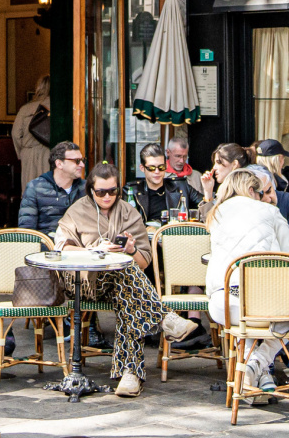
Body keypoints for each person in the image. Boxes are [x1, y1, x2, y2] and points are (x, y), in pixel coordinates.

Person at [55, 161, 200, 397]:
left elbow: (144, 263)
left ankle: (129, 376)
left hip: (119, 282)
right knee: (127, 279)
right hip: (83, 281)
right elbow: (62, 249)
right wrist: (94, 250)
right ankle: (163, 319)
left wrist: (130, 250)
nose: (107, 196)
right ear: (91, 190)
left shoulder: (128, 212)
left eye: (112, 191)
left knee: (128, 288)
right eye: (100, 192)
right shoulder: (77, 211)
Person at [206, 167, 289, 404]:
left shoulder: (216, 214)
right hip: (266, 306)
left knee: (246, 326)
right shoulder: (269, 211)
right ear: (252, 190)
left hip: (225, 304)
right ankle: (258, 364)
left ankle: (252, 376)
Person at [17, 141, 86, 236]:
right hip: (46, 245)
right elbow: (27, 230)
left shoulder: (86, 188)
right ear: (59, 164)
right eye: (77, 161)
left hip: (79, 245)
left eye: (83, 160)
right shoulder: (35, 188)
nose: (82, 165)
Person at [128, 141, 201, 222]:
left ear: (166, 167)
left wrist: (208, 191)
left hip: (173, 233)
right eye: (152, 168)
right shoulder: (132, 191)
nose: (157, 171)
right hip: (144, 234)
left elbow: (207, 209)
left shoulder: (181, 186)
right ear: (142, 168)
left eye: (161, 167)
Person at [12, 75, 53, 187]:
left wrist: (21, 152)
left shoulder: (25, 109)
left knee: (29, 191)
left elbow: (15, 134)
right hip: (48, 153)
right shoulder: (58, 107)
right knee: (47, 191)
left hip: (28, 153)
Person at [197, 142, 248, 207]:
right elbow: (209, 216)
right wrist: (208, 192)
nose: (214, 168)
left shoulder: (242, 191)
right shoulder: (226, 189)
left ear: (234, 164)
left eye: (219, 162)